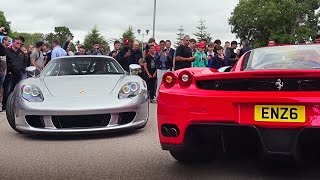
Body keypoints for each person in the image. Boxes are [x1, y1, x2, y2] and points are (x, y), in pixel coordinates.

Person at [1, 37, 28, 111]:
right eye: (17, 43)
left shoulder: (21, 53)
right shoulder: (7, 51)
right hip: (9, 74)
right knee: (7, 90)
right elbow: (4, 62)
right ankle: (5, 107)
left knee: (15, 91)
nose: (19, 44)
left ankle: (12, 106)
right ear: (13, 43)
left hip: (18, 75)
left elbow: (25, 62)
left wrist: (22, 69)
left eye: (20, 43)